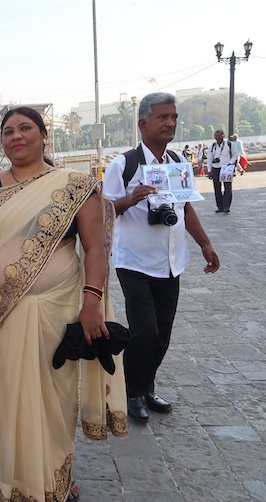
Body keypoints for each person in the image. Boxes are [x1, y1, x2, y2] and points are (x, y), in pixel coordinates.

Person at [0, 105, 128, 502]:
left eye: (25, 128)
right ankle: (7, 478)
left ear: (44, 135)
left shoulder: (73, 186)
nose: (16, 137)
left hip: (57, 308)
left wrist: (91, 300)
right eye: (8, 131)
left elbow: (94, 248)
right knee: (7, 390)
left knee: (52, 394)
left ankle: (53, 476)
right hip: (0, 311)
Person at [103, 92, 220, 423]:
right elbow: (101, 211)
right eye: (162, 117)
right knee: (145, 332)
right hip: (134, 263)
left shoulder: (176, 164)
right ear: (143, 123)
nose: (170, 123)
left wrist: (205, 245)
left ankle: (145, 386)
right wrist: (130, 198)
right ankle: (131, 391)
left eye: (174, 117)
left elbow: (186, 209)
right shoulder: (123, 165)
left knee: (163, 334)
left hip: (171, 263)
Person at [208, 129, 237, 213]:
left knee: (227, 187)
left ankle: (226, 206)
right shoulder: (213, 146)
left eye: (219, 136)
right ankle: (220, 206)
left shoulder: (229, 144)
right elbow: (209, 158)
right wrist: (209, 170)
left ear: (223, 136)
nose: (217, 138)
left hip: (226, 168)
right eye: (216, 137)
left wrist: (230, 163)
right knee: (217, 188)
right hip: (215, 168)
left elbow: (235, 155)